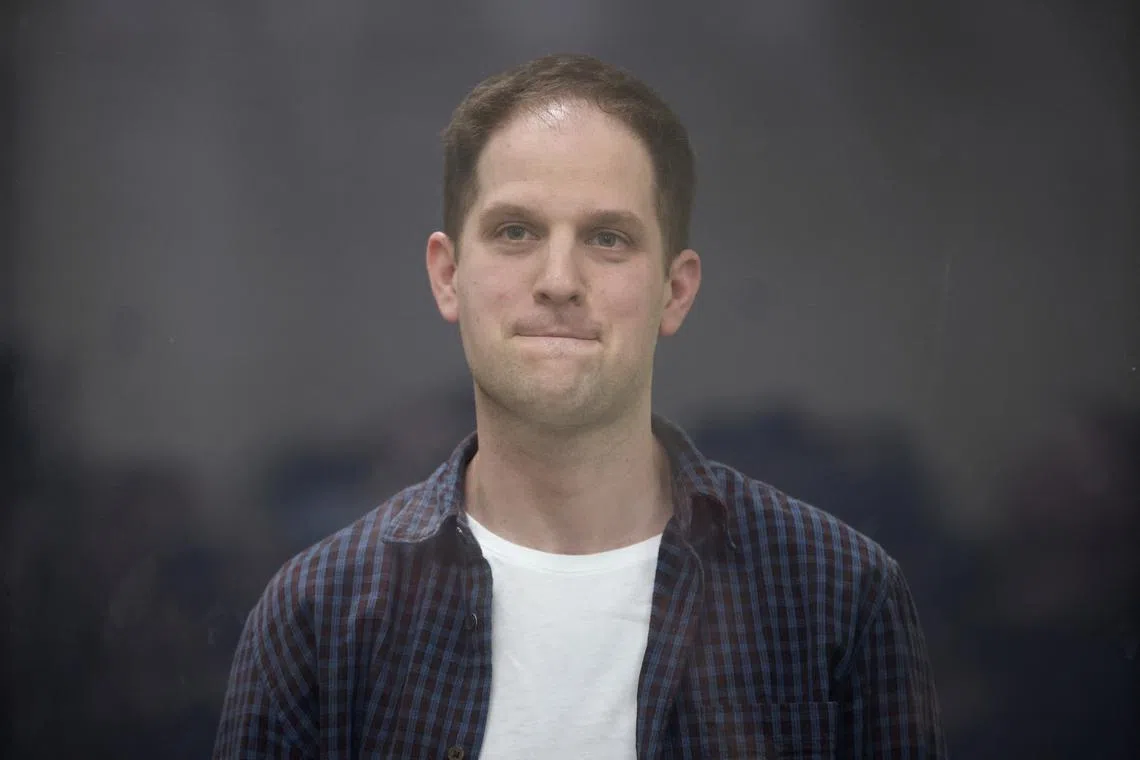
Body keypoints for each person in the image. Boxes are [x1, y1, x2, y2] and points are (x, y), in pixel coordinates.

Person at [213, 53, 946, 759]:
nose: (559, 279)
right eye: (515, 232)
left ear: (675, 290)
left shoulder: (838, 594)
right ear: (447, 276)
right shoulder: (318, 616)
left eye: (607, 238)